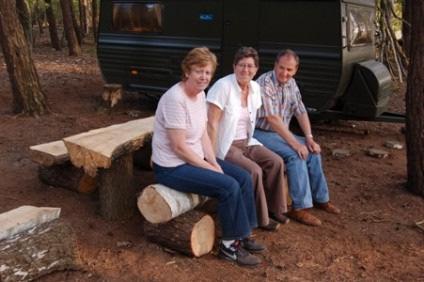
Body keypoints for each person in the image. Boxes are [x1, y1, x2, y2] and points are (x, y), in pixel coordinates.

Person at [151, 47, 265, 266]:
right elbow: (179, 147)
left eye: (207, 72)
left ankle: (244, 234)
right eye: (198, 71)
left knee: (242, 177)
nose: (203, 77)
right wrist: (207, 166)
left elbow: (203, 132)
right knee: (228, 186)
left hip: (192, 158)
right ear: (187, 72)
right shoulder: (175, 98)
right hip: (172, 167)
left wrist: (212, 160)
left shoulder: (200, 94)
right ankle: (229, 248)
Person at [254, 49, 341, 226]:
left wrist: (309, 138)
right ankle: (299, 207)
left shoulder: (291, 83)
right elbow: (273, 119)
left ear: (296, 70)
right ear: (275, 65)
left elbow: (300, 110)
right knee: (296, 155)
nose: (284, 73)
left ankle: (320, 198)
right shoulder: (264, 82)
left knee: (313, 151)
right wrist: (295, 144)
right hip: (260, 132)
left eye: (289, 70)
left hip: (280, 133)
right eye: (281, 68)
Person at [207, 47, 289, 232]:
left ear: (256, 69)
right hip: (226, 145)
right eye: (242, 65)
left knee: (276, 162)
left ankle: (275, 209)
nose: (246, 70)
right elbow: (211, 123)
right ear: (234, 66)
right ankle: (261, 219)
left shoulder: (254, 88)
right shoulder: (223, 86)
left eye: (250, 66)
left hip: (247, 141)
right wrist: (211, 157)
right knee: (254, 171)